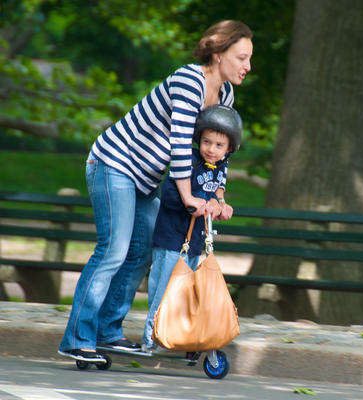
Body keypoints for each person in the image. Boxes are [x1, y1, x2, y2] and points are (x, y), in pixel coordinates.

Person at [58, 20, 252, 363]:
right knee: (113, 251)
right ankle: (78, 338)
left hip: (145, 180)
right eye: (241, 57)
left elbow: (221, 151)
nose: (247, 66)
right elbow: (180, 143)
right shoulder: (189, 80)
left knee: (144, 250)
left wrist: (217, 196)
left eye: (249, 59)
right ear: (219, 53)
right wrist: (189, 197)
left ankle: (108, 332)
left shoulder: (225, 95)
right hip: (114, 163)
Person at [142, 105, 242, 352]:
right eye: (207, 142)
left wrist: (221, 205)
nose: (211, 149)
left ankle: (179, 334)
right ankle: (151, 338)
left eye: (219, 145)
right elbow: (169, 196)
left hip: (195, 241)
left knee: (188, 292)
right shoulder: (187, 161)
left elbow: (216, 195)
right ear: (199, 140)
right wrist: (193, 204)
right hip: (171, 238)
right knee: (164, 289)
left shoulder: (220, 167)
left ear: (228, 149)